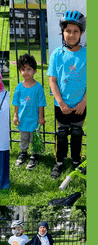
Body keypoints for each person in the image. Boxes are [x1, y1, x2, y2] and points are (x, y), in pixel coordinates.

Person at [47, 10, 87, 180]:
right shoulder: (57, 54)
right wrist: (61, 102)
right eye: (68, 30)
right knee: (62, 134)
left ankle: (77, 161)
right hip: (61, 105)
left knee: (77, 133)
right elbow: (52, 81)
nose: (71, 34)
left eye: (75, 31)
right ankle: (59, 162)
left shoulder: (87, 54)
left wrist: (84, 102)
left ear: (82, 33)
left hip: (80, 104)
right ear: (62, 32)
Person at [12, 54, 46, 170]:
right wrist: (15, 116)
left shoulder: (38, 87)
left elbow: (41, 104)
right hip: (23, 119)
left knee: (34, 138)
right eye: (22, 69)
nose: (25, 72)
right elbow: (16, 103)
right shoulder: (19, 87)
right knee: (24, 137)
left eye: (29, 69)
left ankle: (34, 155)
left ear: (35, 71)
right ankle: (23, 153)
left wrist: (41, 118)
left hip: (34, 119)